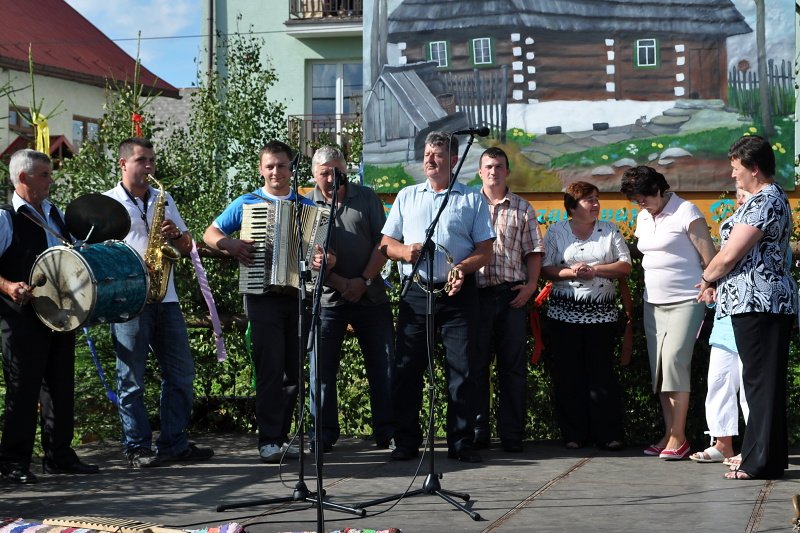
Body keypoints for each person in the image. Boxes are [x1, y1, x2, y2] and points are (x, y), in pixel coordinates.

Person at [380, 131, 495, 463]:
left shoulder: (472, 198)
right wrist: (404, 251)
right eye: (427, 154)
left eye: (438, 155)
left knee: (463, 370)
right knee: (407, 369)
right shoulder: (407, 196)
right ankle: (406, 440)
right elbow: (386, 244)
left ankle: (461, 441)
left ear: (454, 161)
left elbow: (485, 250)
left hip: (458, 294)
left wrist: (462, 268)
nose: (430, 160)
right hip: (416, 293)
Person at [203, 140, 317, 463]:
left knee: (293, 371)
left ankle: (282, 437)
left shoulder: (307, 206)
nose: (276, 171)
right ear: (261, 169)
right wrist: (230, 244)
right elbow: (210, 232)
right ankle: (268, 439)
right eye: (270, 166)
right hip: (260, 295)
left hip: (297, 294)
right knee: (270, 368)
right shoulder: (247, 202)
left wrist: (323, 258)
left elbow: (322, 251)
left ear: (290, 169)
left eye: (281, 165)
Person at [105, 137, 214, 468]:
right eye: (142, 160)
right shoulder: (107, 203)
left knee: (181, 374)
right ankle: (137, 446)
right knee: (131, 379)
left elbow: (187, 246)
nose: (150, 166)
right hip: (128, 299)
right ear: (123, 164)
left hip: (165, 298)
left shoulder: (162, 198)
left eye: (152, 160)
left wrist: (176, 235)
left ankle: (173, 443)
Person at [698, 135, 796, 480]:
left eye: (736, 167)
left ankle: (758, 462)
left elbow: (729, 254)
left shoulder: (764, 201)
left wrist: (707, 278)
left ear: (754, 168)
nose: (732, 174)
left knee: (759, 384)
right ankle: (767, 458)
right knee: (763, 383)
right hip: (757, 302)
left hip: (760, 301)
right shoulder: (768, 197)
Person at [0, 149, 99, 484]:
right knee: (23, 390)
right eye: (44, 175)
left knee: (60, 386)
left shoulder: (55, 214)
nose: (51, 180)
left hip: (60, 314)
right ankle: (13, 462)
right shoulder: (5, 218)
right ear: (23, 178)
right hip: (21, 317)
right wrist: (8, 286)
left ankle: (59, 456)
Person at [620, 166, 716, 460]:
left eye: (644, 197)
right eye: (636, 200)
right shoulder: (643, 216)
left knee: (674, 361)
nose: (641, 204)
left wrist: (710, 284)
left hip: (687, 299)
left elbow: (710, 258)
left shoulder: (686, 211)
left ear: (659, 189)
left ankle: (679, 437)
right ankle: (669, 434)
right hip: (653, 302)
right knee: (660, 369)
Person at [308, 146, 394, 452]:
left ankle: (388, 432)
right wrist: (341, 282)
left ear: (346, 170)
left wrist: (363, 281)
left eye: (337, 172)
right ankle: (322, 433)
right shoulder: (307, 205)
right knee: (321, 368)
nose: (332, 178)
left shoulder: (367, 198)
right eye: (324, 173)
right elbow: (309, 255)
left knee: (384, 365)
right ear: (314, 175)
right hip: (328, 299)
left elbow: (383, 243)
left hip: (371, 296)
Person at [541, 181, 631, 450]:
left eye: (596, 198)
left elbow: (625, 265)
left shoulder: (609, 229)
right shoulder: (556, 231)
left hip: (602, 317)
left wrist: (596, 270)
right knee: (568, 374)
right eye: (589, 200)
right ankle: (574, 434)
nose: (595, 204)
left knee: (601, 374)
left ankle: (608, 434)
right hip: (563, 316)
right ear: (572, 207)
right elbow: (545, 269)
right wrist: (572, 272)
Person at [473, 147, 543, 453]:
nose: (493, 171)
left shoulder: (522, 208)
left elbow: (534, 251)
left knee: (512, 368)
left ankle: (512, 433)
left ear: (507, 171)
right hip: (476, 296)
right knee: (475, 366)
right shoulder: (468, 204)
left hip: (511, 296)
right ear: (480, 171)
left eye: (499, 166)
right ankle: (478, 431)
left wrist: (531, 286)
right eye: (488, 166)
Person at [691, 188, 751, 464]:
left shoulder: (767, 232)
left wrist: (711, 278)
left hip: (753, 320)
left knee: (751, 390)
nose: (740, 199)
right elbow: (723, 268)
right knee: (719, 382)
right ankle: (722, 443)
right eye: (738, 194)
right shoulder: (732, 230)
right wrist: (713, 289)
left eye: (745, 194)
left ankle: (754, 448)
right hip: (726, 322)